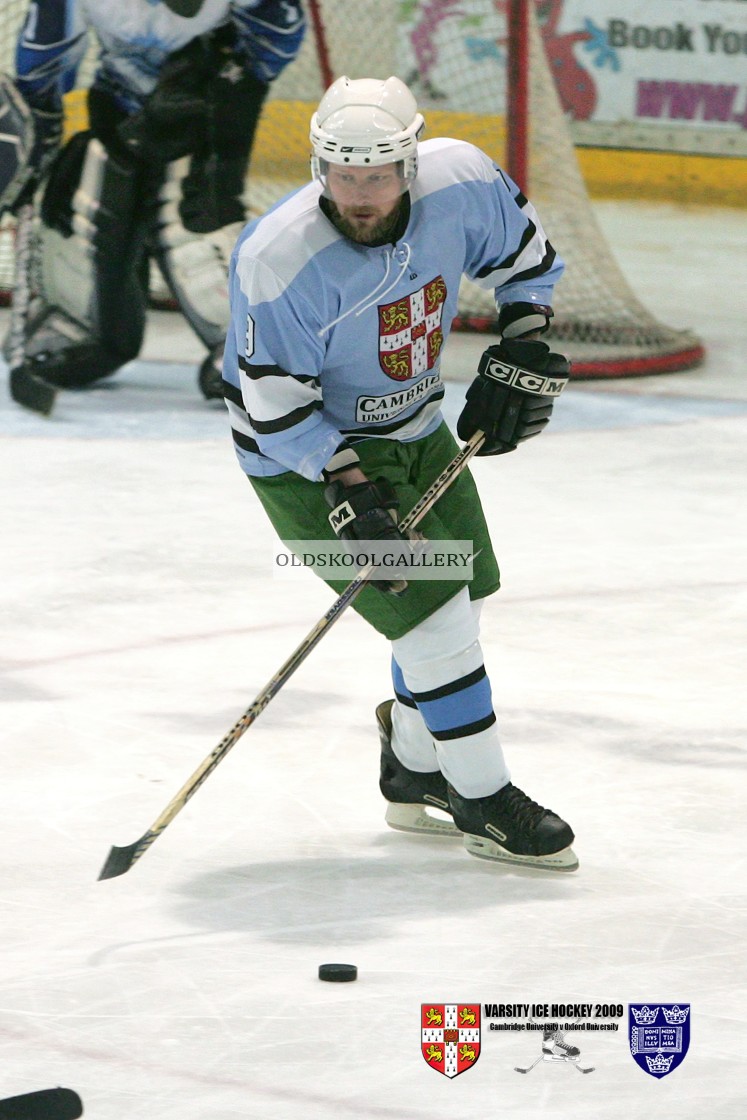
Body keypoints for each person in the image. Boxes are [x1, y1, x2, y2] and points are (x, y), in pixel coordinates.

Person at [222, 75, 578, 871]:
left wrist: (520, 341)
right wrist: (348, 488)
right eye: (342, 175)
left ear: (408, 164)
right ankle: (483, 798)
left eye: (376, 175)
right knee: (436, 623)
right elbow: (275, 406)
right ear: (318, 165)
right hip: (307, 457)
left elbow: (528, 262)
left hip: (417, 428)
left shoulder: (462, 180)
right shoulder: (278, 260)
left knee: (460, 602)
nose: (358, 193)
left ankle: (413, 769)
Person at [1, 0, 305, 403]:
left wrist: (230, 85)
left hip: (200, 101)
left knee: (189, 220)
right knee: (88, 202)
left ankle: (250, 344)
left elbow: (279, 34)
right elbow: (44, 60)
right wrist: (36, 123)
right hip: (117, 104)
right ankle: (85, 325)